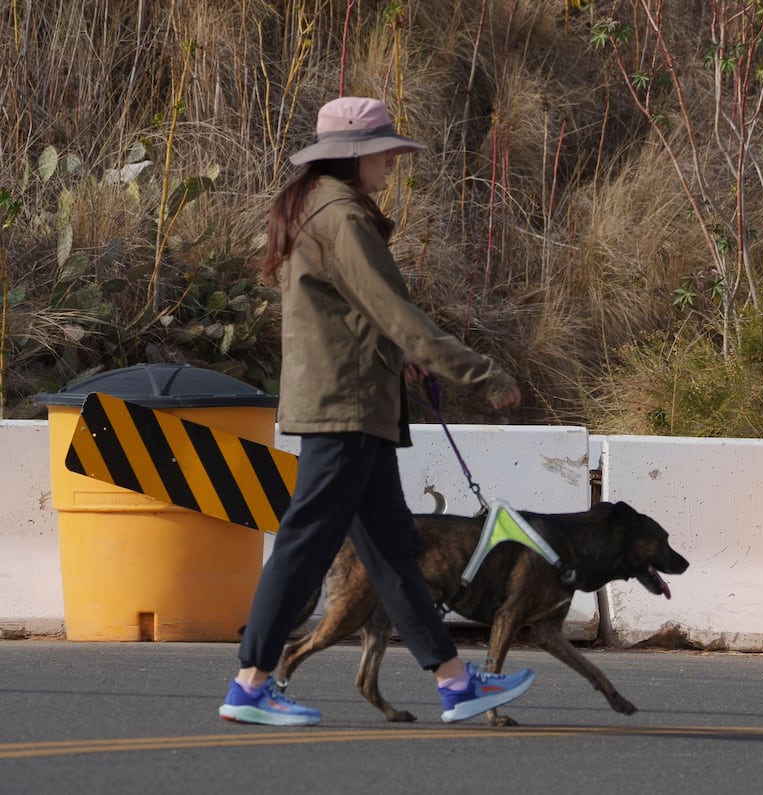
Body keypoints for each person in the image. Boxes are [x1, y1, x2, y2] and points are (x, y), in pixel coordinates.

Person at [219, 95, 532, 727]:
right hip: (347, 406)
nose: (392, 163)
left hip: (348, 399)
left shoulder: (314, 208)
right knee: (305, 543)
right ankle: (250, 683)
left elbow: (350, 313)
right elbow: (396, 312)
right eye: (385, 153)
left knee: (391, 550)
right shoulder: (344, 218)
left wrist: (396, 356)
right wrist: (483, 373)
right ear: (354, 158)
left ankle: (454, 683)